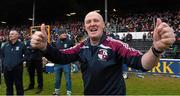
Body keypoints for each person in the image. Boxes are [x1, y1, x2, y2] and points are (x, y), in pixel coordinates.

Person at [30, 11, 175, 95]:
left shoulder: (115, 45)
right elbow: (61, 57)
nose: (92, 24)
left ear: (103, 25)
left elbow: (142, 63)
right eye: (88, 22)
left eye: (96, 21)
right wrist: (45, 47)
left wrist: (156, 49)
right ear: (85, 27)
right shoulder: (81, 47)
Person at [2, 30, 26, 95]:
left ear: (17, 36)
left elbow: (27, 55)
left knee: (19, 86)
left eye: (12, 34)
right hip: (7, 70)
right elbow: (2, 56)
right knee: (9, 87)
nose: (10, 35)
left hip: (17, 70)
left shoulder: (22, 45)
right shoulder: (5, 45)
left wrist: (22, 61)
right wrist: (4, 66)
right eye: (10, 34)